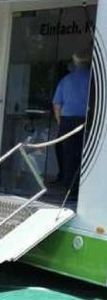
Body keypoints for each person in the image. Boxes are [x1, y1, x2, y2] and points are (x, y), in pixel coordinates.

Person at [52, 52, 92, 197]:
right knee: (88, 155)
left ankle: (70, 190)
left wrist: (60, 122)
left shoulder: (66, 80)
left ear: (75, 63)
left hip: (67, 121)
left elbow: (57, 104)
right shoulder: (93, 80)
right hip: (87, 120)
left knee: (69, 156)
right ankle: (86, 190)